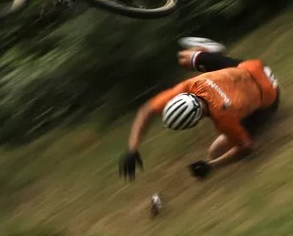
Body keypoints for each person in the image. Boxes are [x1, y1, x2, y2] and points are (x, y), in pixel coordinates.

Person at [118, 45, 281, 182]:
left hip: (270, 97)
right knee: (184, 58)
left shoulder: (223, 118)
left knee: (215, 151)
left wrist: (211, 165)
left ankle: (257, 113)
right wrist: (132, 149)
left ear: (195, 122)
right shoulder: (191, 85)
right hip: (250, 68)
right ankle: (209, 50)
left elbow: (246, 148)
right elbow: (147, 110)